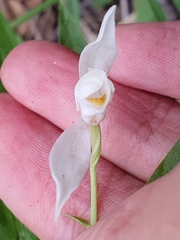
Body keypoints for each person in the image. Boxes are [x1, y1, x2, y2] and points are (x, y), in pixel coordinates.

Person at [1, 21, 180, 240]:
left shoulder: (84, 124)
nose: (96, 96)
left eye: (100, 93)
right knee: (62, 187)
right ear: (78, 100)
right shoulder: (77, 134)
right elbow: (64, 173)